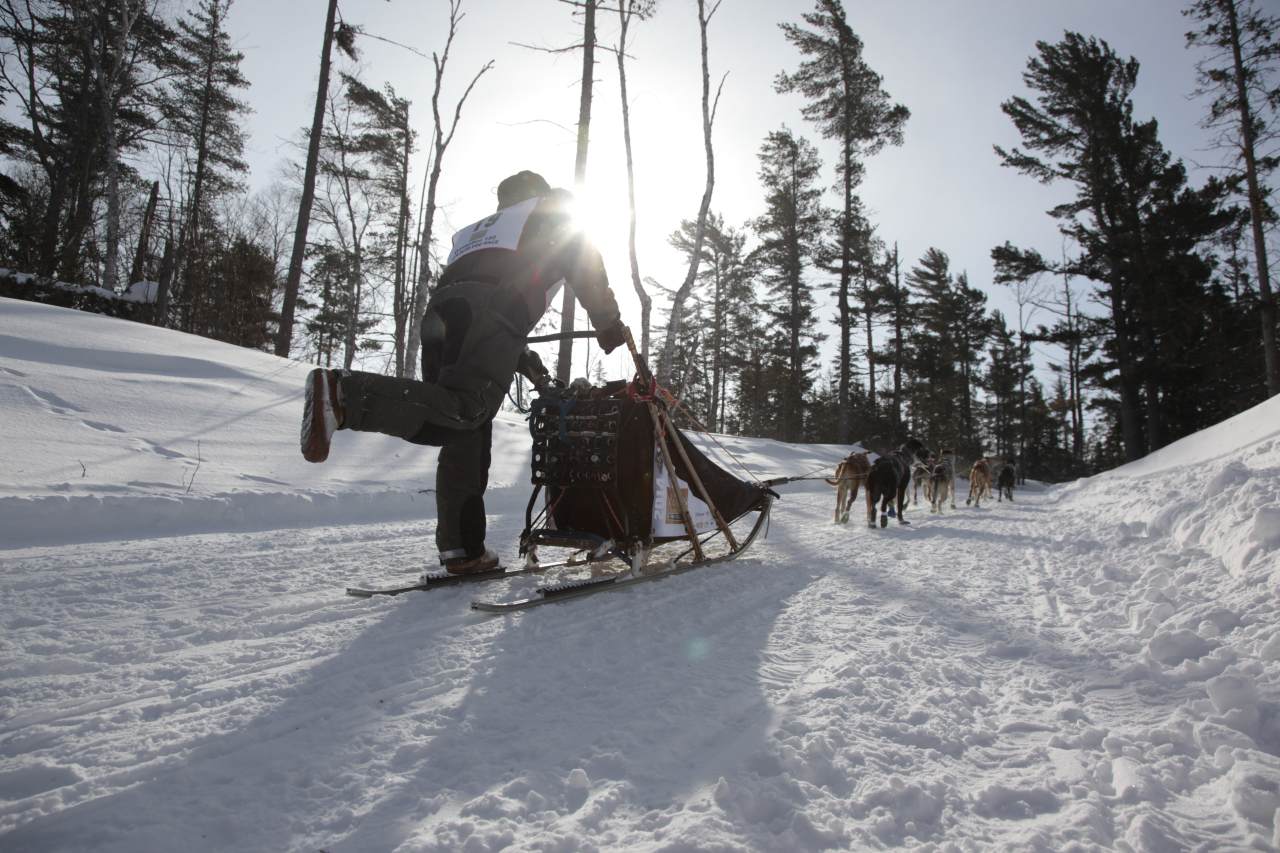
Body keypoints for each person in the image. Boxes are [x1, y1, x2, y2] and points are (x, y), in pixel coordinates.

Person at [300, 170, 627, 575]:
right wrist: (608, 322)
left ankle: (462, 548)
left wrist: (522, 360)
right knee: (465, 409)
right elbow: (583, 260)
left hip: (442, 316)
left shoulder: (483, 230)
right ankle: (345, 395)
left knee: (461, 427)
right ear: (538, 195)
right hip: (489, 312)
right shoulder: (551, 212)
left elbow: (485, 284)